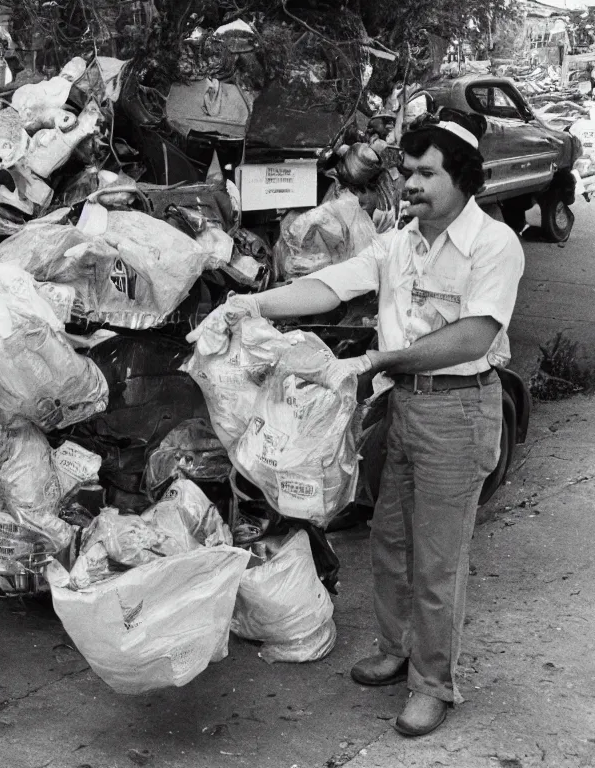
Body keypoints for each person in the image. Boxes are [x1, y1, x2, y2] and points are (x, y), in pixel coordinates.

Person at [216, 109, 524, 736]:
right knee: (389, 541)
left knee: (439, 558)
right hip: (401, 405)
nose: (410, 184)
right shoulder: (399, 242)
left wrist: (375, 358)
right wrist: (254, 301)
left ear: (463, 179)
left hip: (460, 410)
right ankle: (395, 647)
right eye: (406, 172)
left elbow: (473, 336)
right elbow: (331, 285)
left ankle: (433, 684)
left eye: (426, 173)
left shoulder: (494, 245)